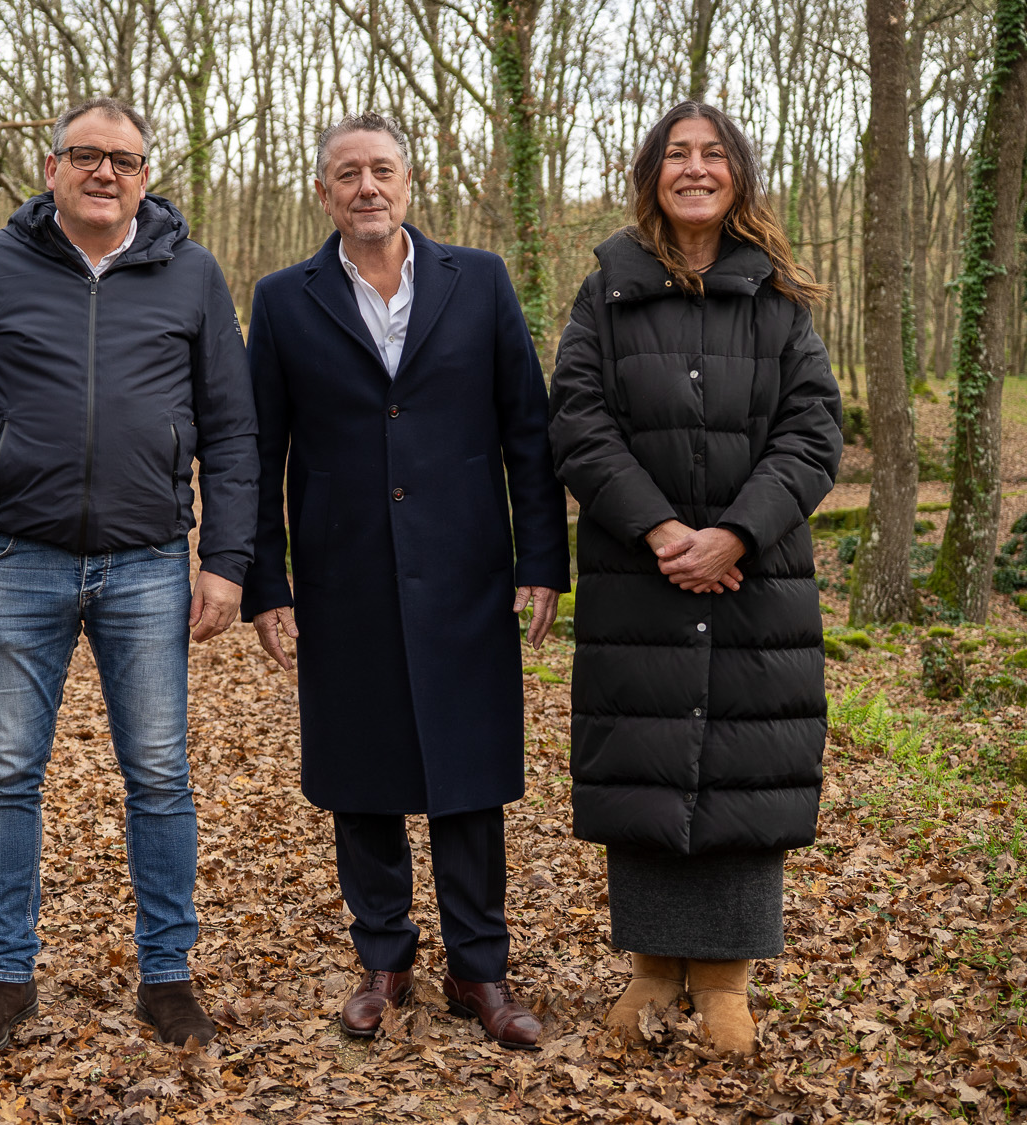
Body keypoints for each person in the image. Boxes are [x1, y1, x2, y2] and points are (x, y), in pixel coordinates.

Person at [0, 96, 257, 1058]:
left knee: (157, 775)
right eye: (86, 156)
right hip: (15, 559)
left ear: (147, 174)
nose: (105, 172)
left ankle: (167, 975)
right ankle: (6, 974)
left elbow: (232, 429)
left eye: (125, 159)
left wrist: (225, 562)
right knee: (6, 773)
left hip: (149, 563)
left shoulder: (191, 274)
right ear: (52, 166)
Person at [242, 113, 570, 1051]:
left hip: (468, 569)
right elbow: (260, 452)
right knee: (362, 771)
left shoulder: (482, 281)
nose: (367, 187)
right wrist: (270, 581)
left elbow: (527, 433)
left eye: (382, 170)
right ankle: (382, 957)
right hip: (343, 573)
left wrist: (543, 560)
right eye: (347, 174)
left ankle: (480, 966)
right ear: (323, 192)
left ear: (410, 182)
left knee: (468, 773)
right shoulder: (284, 299)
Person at [546, 101, 841, 1055]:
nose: (696, 168)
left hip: (758, 581)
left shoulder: (780, 298)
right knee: (646, 763)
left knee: (745, 771)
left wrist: (738, 536)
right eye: (677, 154)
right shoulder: (608, 291)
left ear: (739, 174)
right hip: (642, 573)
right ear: (652, 175)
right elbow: (578, 422)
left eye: (714, 154)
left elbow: (813, 432)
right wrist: (666, 530)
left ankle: (724, 981)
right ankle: (649, 972)